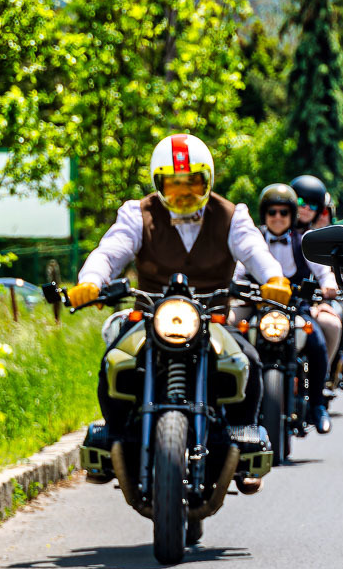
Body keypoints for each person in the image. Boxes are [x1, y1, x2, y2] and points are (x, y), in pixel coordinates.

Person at [69, 133, 292, 490]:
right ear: (158, 184)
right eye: (174, 185)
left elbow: (255, 250)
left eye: (193, 183)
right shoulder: (137, 213)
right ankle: (114, 436)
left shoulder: (232, 215)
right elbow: (111, 250)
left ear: (208, 181)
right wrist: (92, 280)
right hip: (149, 318)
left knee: (248, 360)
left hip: (212, 319)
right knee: (114, 359)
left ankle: (243, 443)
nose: (184, 193)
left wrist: (274, 279)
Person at [235, 183, 339, 433]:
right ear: (264, 214)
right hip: (255, 307)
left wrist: (329, 286)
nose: (278, 217)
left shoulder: (304, 242)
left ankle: (317, 403)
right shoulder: (253, 240)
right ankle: (231, 407)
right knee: (228, 333)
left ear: (292, 215)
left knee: (317, 342)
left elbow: (324, 272)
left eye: (284, 212)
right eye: (272, 212)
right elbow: (237, 270)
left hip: (296, 309)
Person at [292, 174, 343, 390]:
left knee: (339, 318)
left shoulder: (314, 237)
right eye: (300, 202)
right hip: (270, 302)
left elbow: (324, 272)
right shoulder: (267, 234)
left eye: (312, 205)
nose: (304, 209)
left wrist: (329, 286)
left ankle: (320, 380)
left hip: (310, 303)